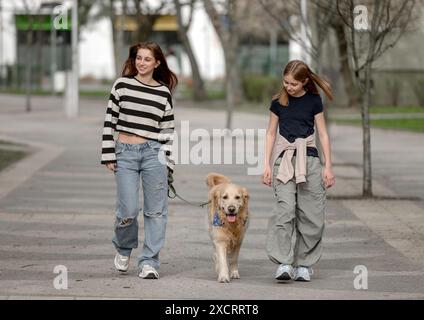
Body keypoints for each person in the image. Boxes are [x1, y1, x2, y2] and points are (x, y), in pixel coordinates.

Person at [101, 42, 177, 279]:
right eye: (139, 58)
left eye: (147, 59)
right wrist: (108, 153)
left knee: (156, 212)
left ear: (157, 63)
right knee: (128, 209)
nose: (141, 62)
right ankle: (124, 249)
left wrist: (169, 165)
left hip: (154, 153)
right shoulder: (122, 85)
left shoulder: (163, 92)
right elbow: (109, 120)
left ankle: (149, 261)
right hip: (125, 151)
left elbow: (167, 130)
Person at [262, 60, 335, 282]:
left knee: (311, 214)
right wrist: (266, 165)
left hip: (310, 161)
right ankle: (284, 263)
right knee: (285, 211)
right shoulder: (278, 101)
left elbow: (322, 134)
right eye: (285, 82)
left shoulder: (314, 101)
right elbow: (270, 134)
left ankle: (304, 264)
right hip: (283, 161)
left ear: (304, 81)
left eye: (293, 83)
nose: (289, 87)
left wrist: (328, 166)